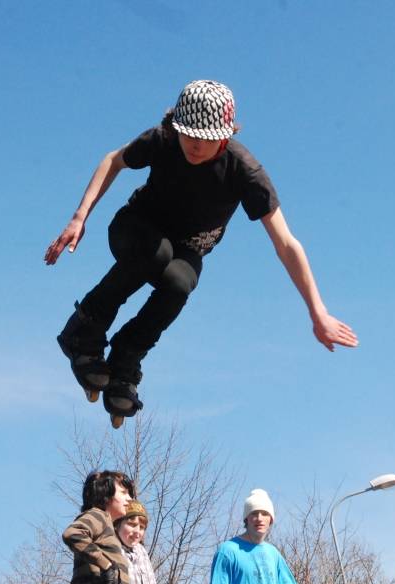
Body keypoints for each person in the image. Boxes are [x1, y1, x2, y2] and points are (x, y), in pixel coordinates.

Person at [45, 79, 358, 419]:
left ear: (225, 136)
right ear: (176, 128)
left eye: (205, 140)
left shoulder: (245, 171)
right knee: (156, 253)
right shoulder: (162, 139)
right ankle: (84, 330)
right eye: (188, 136)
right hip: (134, 230)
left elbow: (285, 243)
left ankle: (125, 360)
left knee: (181, 281)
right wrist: (80, 216)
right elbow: (113, 160)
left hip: (186, 250)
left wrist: (317, 312)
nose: (194, 146)